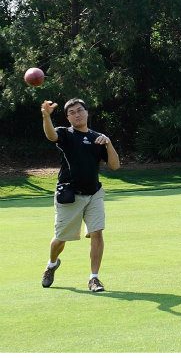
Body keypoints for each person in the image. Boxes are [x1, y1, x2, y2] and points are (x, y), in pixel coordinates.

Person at [40, 98, 121, 293]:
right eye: (72, 112)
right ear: (68, 117)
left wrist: (108, 143)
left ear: (86, 112)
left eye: (80, 110)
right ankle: (52, 264)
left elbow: (115, 165)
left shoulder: (97, 137)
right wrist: (45, 116)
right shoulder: (65, 134)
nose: (77, 114)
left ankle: (94, 278)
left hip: (94, 193)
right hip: (70, 195)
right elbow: (51, 136)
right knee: (60, 239)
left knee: (97, 232)